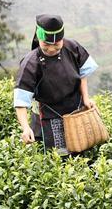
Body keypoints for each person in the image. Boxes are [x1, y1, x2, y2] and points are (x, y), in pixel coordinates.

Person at [13, 14, 98, 155]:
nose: (52, 49)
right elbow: (21, 101)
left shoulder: (72, 47)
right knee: (58, 161)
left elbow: (82, 74)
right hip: (47, 119)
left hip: (76, 114)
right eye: (46, 44)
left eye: (57, 44)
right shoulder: (31, 63)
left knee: (83, 154)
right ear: (39, 38)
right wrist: (25, 128)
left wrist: (86, 99)